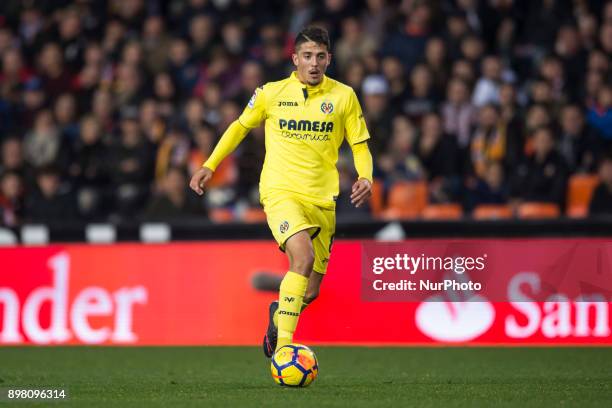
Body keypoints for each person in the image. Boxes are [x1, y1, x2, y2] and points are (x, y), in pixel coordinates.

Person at [189, 26, 373, 357]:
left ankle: (279, 315)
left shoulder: (344, 96)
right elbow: (240, 127)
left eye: (320, 56)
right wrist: (210, 164)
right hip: (280, 192)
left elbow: (359, 144)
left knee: (310, 290)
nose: (313, 63)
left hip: (322, 199)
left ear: (329, 60)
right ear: (295, 59)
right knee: (301, 257)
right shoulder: (271, 93)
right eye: (307, 56)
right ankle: (285, 349)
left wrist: (366, 176)